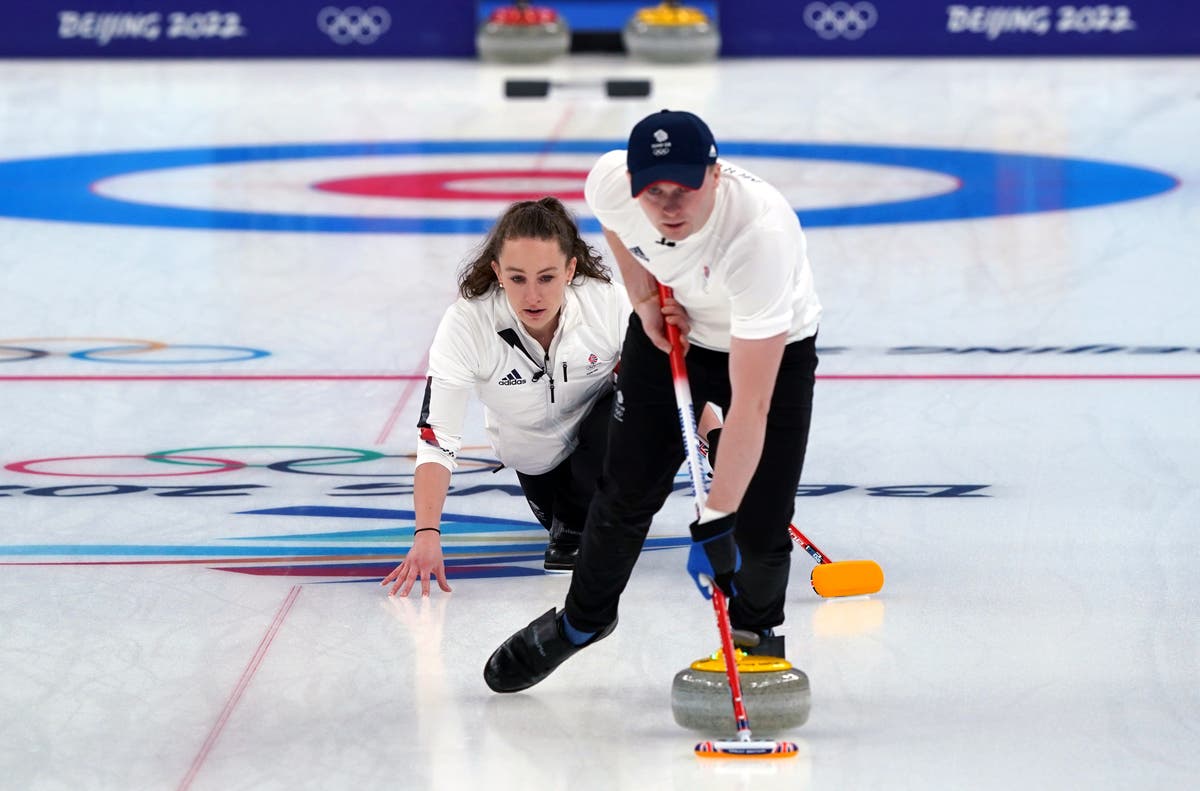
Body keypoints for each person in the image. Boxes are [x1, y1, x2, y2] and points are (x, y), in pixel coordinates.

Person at [484, 109, 822, 692]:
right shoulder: (612, 182)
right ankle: (584, 621)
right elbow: (617, 223)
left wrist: (717, 514)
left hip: (771, 348)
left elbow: (752, 408)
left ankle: (757, 643)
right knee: (623, 491)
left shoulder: (759, 237)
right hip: (670, 330)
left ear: (715, 175)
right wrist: (643, 301)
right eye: (654, 191)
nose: (668, 206)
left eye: (684, 188)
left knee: (758, 522)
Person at [381, 197, 636, 597]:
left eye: (547, 278)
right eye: (518, 278)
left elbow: (678, 380)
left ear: (570, 269)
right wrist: (426, 533)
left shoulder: (607, 303)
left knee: (640, 394)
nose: (533, 296)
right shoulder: (468, 324)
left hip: (608, 445)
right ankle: (567, 521)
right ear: (497, 272)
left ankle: (585, 519)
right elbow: (437, 438)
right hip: (540, 468)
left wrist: (718, 447)